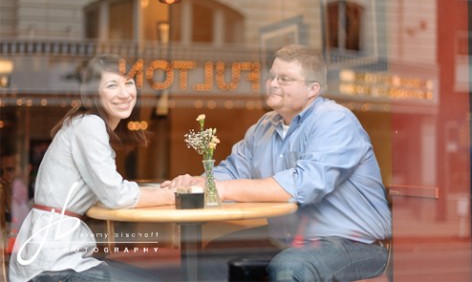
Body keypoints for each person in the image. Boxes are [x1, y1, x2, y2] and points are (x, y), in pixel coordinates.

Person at [164, 44, 392, 281]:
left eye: (285, 79)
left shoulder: (335, 121)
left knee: (291, 267)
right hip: (290, 239)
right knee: (215, 255)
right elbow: (232, 170)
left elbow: (303, 184)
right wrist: (198, 182)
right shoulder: (263, 127)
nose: (272, 83)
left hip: (355, 243)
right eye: (272, 76)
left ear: (313, 89)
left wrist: (220, 189)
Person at [9, 55, 175, 282]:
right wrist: (172, 196)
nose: (125, 93)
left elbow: (109, 192)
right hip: (52, 263)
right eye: (112, 85)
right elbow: (115, 195)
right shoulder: (90, 124)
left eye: (128, 83)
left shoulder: (85, 125)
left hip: (54, 255)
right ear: (94, 93)